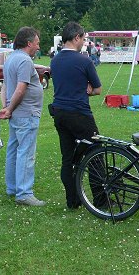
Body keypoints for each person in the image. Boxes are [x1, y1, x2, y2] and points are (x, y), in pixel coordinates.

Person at [50, 22, 102, 209]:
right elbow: (97, 89)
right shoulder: (84, 61)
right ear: (76, 38)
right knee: (96, 154)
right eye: (83, 38)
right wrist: (86, 90)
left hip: (60, 113)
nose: (84, 42)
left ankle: (72, 201)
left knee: (68, 159)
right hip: (79, 113)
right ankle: (101, 199)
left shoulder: (54, 60)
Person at [0, 27, 45, 206]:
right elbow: (20, 88)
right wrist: (8, 109)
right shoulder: (24, 61)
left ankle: (13, 187)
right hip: (26, 114)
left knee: (13, 149)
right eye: (37, 43)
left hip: (17, 113)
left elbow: (5, 87)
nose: (38, 47)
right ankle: (23, 193)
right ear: (29, 43)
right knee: (26, 152)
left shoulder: (11, 59)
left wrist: (6, 107)